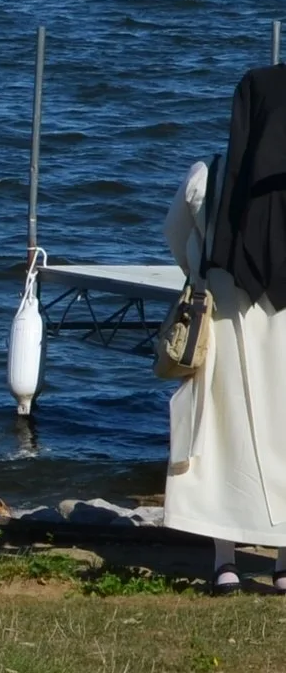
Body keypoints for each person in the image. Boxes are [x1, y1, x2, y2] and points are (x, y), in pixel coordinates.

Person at [165, 65, 286, 595]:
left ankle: (225, 562)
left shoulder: (208, 176)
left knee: (224, 439)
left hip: (225, 323)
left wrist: (199, 271)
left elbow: (175, 237)